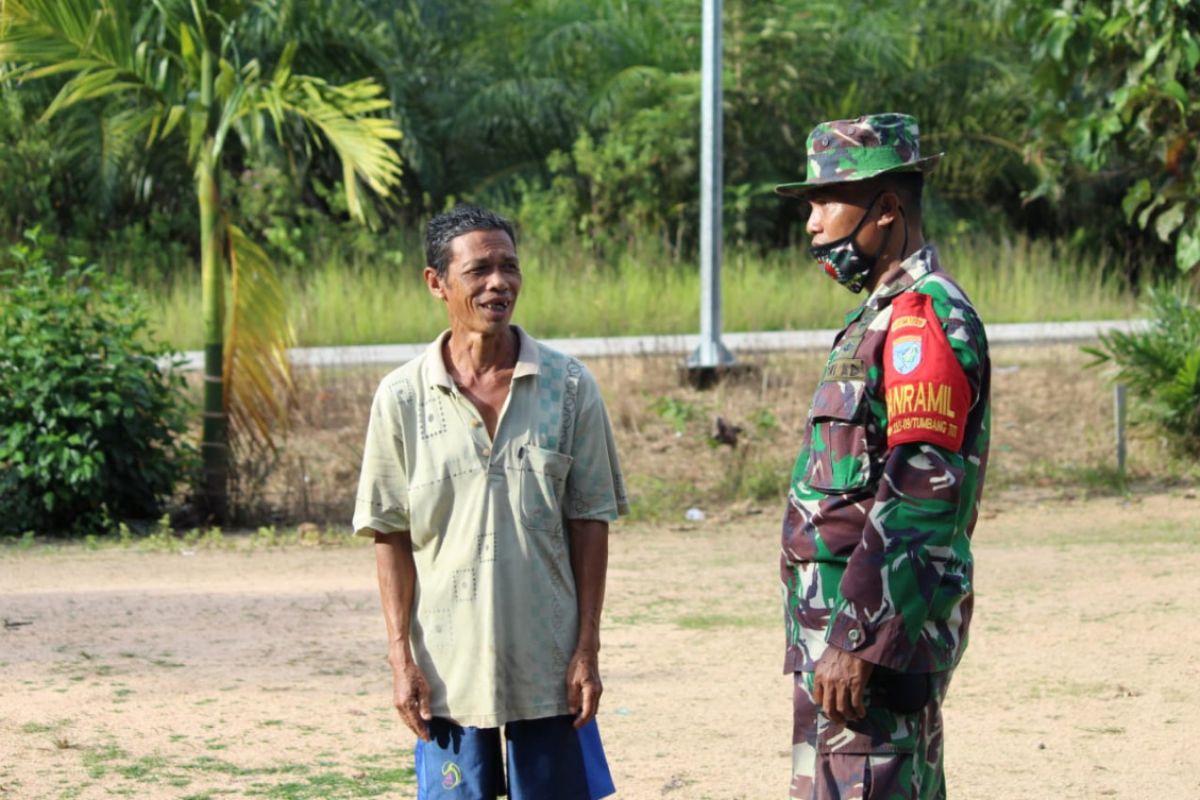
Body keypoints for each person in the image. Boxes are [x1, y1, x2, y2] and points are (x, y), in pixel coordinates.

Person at [353, 205, 627, 800]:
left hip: (550, 663)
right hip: (447, 667)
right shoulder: (400, 398)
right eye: (479, 270)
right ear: (437, 282)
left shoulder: (570, 387)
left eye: (509, 267)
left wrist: (588, 648)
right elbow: (390, 535)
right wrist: (401, 660)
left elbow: (589, 522)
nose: (498, 283)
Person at [774, 113, 991, 799]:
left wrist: (858, 640)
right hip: (842, 640)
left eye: (826, 201)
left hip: (868, 647)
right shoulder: (882, 316)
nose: (812, 223)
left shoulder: (923, 320)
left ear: (888, 208)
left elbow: (922, 495)